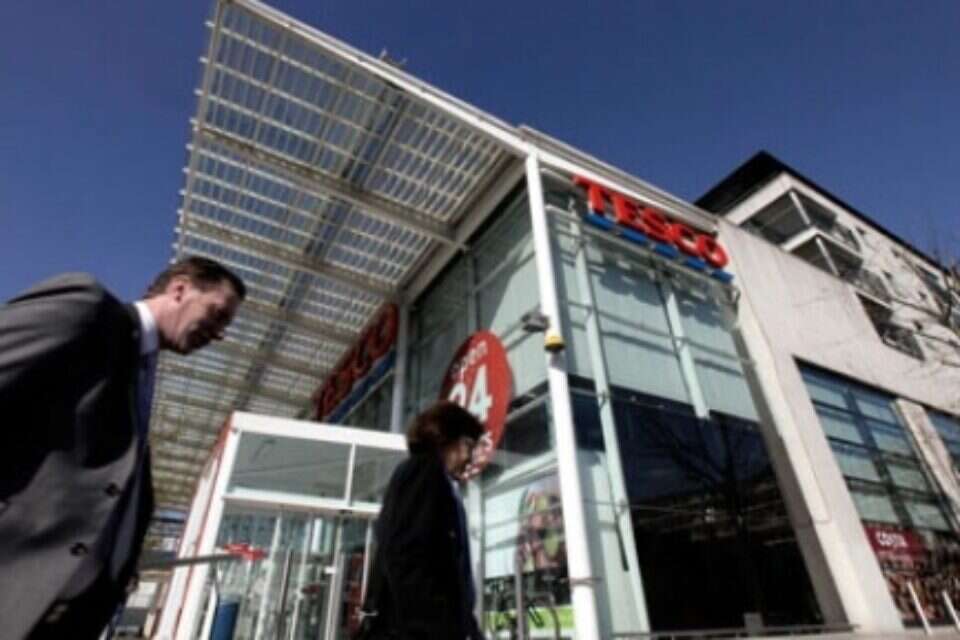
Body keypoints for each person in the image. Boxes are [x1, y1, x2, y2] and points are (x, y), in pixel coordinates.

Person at [0, 256, 245, 640]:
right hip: (18, 582)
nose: (218, 334)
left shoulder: (141, 371)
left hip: (68, 609)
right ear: (179, 289)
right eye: (216, 315)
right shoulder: (89, 311)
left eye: (225, 326)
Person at [358, 401, 485, 640]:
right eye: (468, 445)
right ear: (446, 438)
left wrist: (468, 628)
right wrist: (433, 629)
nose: (469, 457)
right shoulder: (423, 471)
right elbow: (406, 557)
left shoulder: (438, 480)